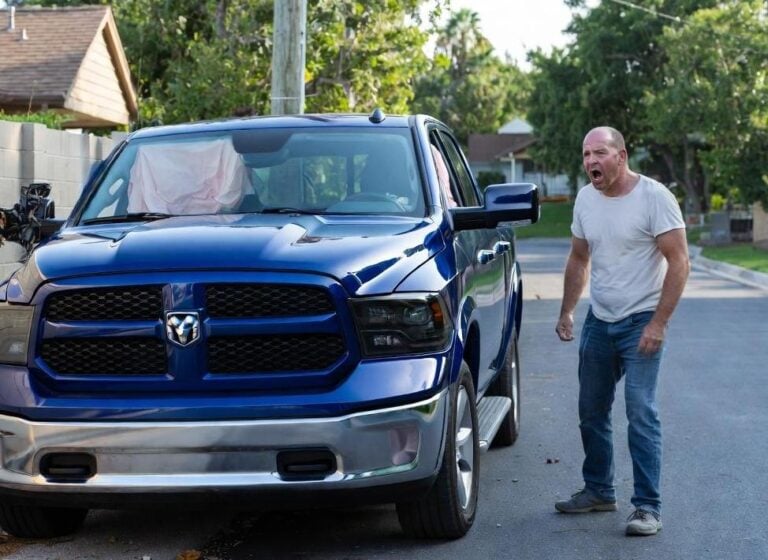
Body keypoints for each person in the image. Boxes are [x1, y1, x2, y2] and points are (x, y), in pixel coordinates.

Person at [554, 126, 690, 536]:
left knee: (640, 411)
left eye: (599, 153)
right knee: (590, 411)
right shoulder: (584, 198)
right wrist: (567, 311)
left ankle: (647, 507)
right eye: (585, 155)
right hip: (601, 319)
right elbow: (579, 258)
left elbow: (679, 261)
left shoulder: (655, 198)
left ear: (621, 156)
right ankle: (599, 490)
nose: (591, 162)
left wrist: (659, 323)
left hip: (641, 322)